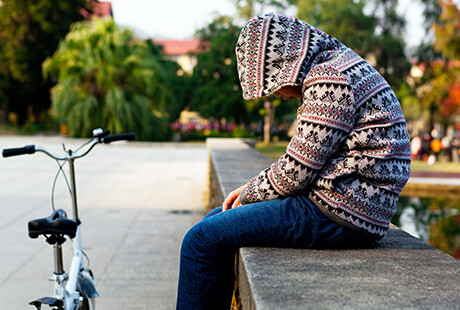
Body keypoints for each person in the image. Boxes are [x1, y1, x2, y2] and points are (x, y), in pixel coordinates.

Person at [176, 13, 411, 309]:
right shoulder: (340, 64)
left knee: (201, 241)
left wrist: (248, 193)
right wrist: (252, 190)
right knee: (214, 223)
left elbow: (296, 172)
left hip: (340, 210)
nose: (277, 94)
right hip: (357, 208)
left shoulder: (329, 78)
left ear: (284, 62)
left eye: (272, 84)